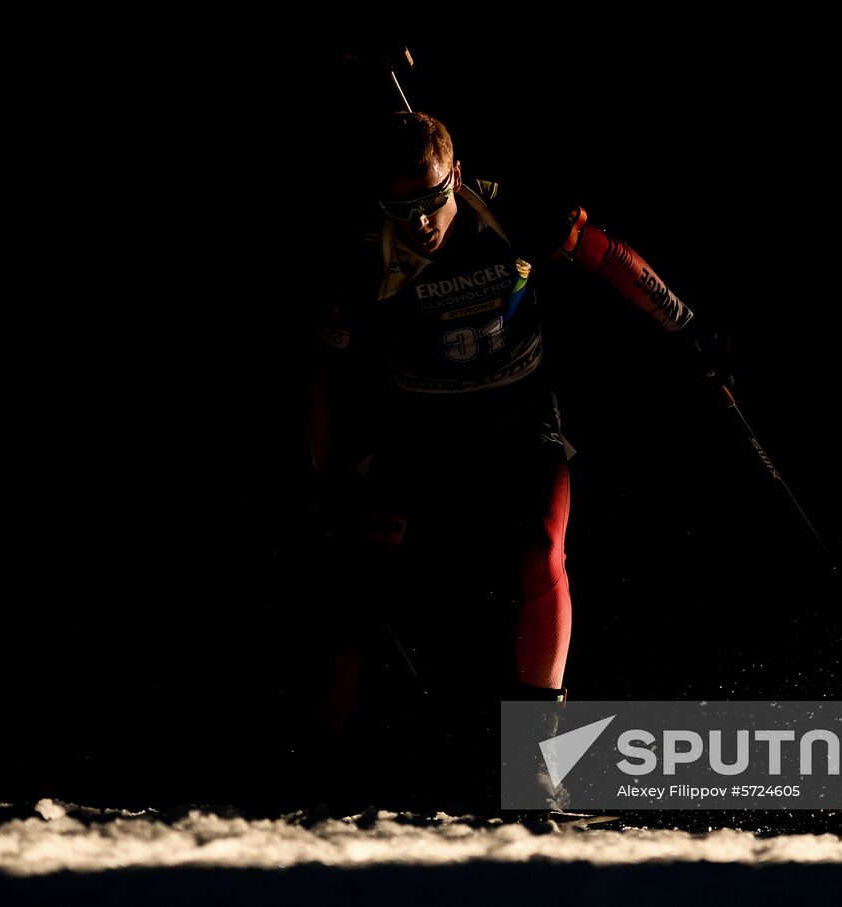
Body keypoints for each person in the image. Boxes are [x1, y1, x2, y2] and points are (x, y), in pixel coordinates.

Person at [308, 111, 726, 728]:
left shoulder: (513, 211)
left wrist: (686, 325)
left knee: (541, 553)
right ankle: (325, 754)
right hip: (419, 423)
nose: (419, 222)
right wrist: (327, 473)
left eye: (430, 200)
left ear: (457, 174)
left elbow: (606, 254)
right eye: (401, 209)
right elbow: (325, 374)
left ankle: (537, 761)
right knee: (361, 581)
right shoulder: (362, 251)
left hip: (516, 412)